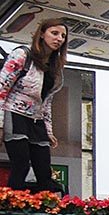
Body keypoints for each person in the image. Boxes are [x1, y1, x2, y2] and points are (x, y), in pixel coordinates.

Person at [0, 17, 68, 192]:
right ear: (41, 34)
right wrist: (0, 123)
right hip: (14, 113)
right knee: (21, 164)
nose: (59, 38)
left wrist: (49, 131)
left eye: (62, 36)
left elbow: (46, 102)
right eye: (54, 33)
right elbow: (2, 88)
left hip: (36, 120)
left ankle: (46, 209)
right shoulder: (22, 55)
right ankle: (13, 206)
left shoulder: (55, 68)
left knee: (44, 172)